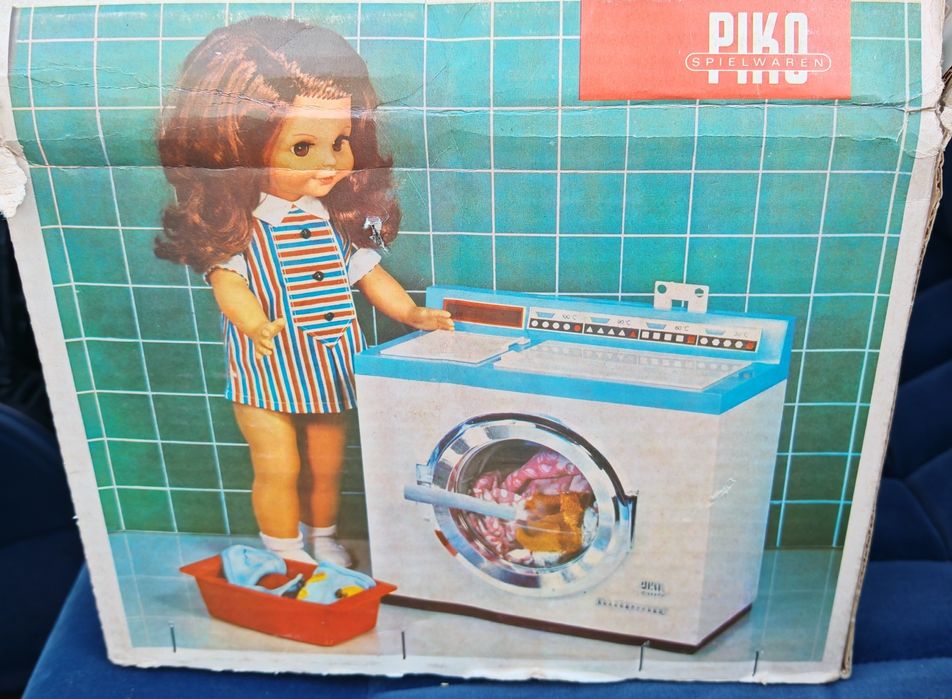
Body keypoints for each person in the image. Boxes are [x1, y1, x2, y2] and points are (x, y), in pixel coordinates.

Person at [155, 16, 452, 566]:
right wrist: (254, 323)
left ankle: (322, 538)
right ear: (235, 149)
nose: (329, 162)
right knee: (277, 464)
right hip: (266, 368)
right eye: (302, 148)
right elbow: (228, 283)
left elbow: (369, 276)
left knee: (327, 464)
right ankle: (287, 551)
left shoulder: (334, 222)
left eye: (340, 142)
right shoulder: (245, 230)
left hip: (329, 364)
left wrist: (412, 314)